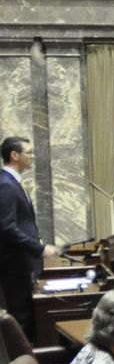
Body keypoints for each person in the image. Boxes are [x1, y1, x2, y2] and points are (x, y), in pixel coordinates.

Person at [0, 136, 60, 339]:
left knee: (27, 313)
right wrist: (39, 248)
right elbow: (7, 227)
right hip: (15, 262)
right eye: (30, 152)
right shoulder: (6, 184)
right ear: (14, 155)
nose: (33, 157)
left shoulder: (13, 182)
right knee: (21, 316)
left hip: (23, 260)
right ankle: (22, 362)